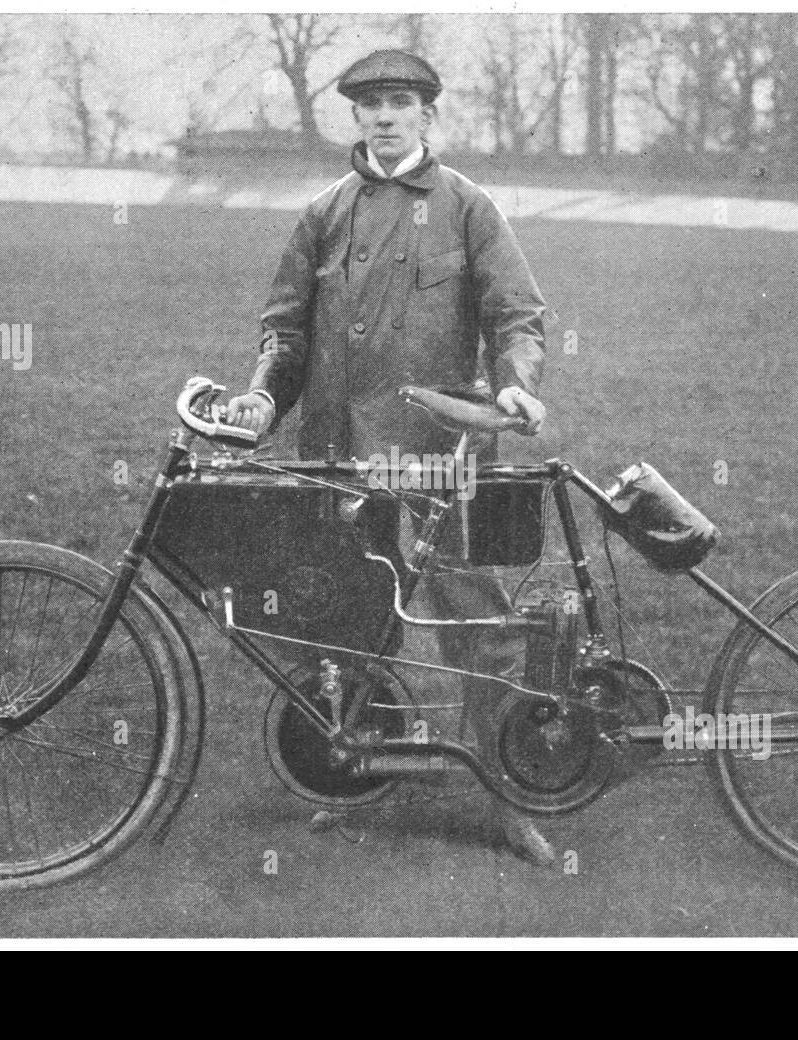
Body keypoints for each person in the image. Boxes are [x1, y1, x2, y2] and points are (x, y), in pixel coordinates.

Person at [226, 49, 555, 865]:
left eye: (399, 101)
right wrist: (265, 395)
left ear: (426, 115)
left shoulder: (468, 207)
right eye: (369, 102)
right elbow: (286, 331)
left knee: (482, 626)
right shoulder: (323, 213)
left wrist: (514, 385)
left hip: (437, 459)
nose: (384, 115)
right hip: (338, 454)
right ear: (355, 117)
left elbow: (517, 315)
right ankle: (352, 776)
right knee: (345, 623)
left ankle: (503, 796)